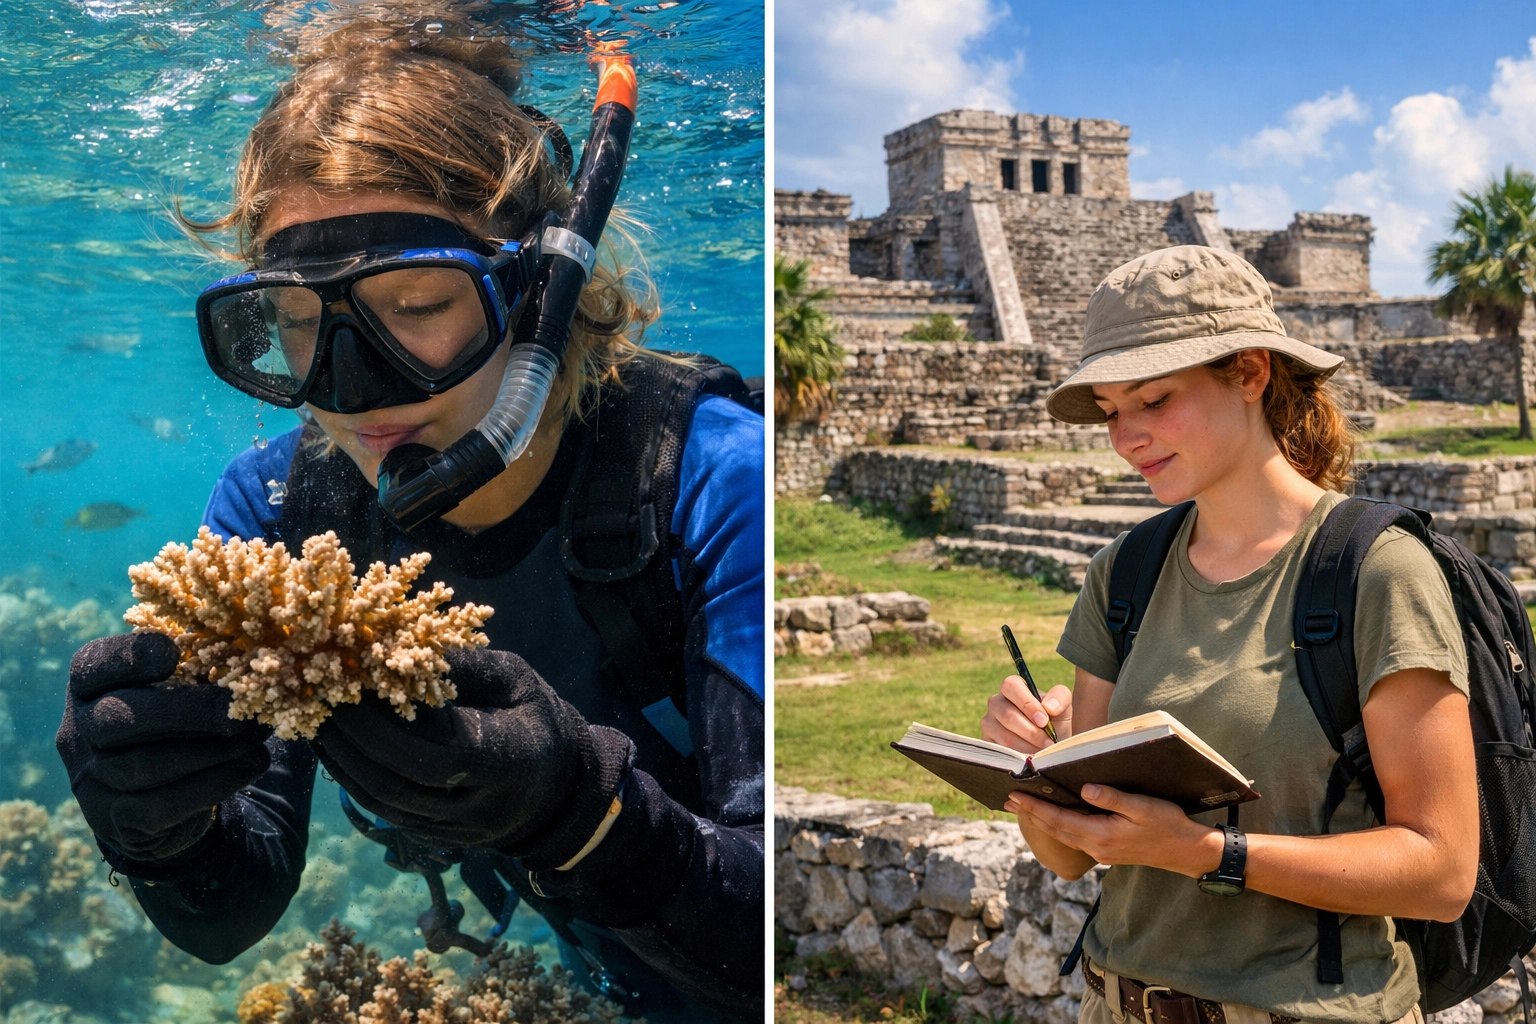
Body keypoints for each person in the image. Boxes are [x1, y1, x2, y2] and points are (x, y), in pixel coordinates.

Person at [53, 16, 763, 1023]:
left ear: (538, 292)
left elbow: (784, 930)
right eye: (301, 330)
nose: (352, 393)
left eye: (419, 303)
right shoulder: (275, 510)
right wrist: (154, 828)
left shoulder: (710, 476)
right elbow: (230, 913)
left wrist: (578, 808)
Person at [980, 246, 1478, 1024]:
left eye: (1153, 399)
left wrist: (1212, 855)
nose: (1126, 437)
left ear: (1250, 374)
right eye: (1112, 411)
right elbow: (1077, 855)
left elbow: (1441, 872)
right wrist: (1034, 776)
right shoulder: (1127, 571)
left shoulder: (1374, 571)